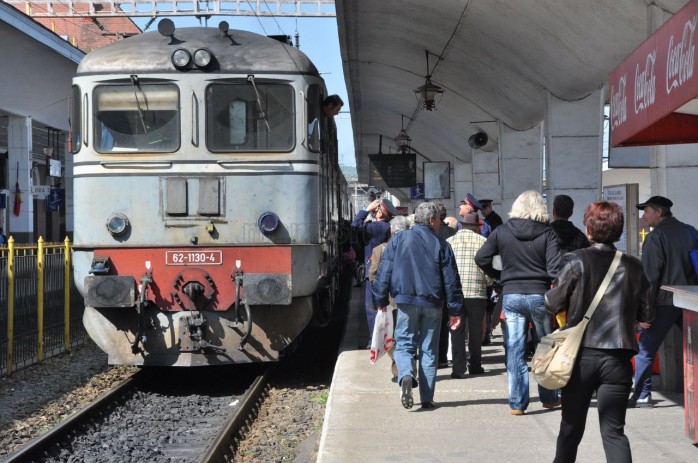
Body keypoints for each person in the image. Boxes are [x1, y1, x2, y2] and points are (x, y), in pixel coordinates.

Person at [546, 201, 653, 463]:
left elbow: (552, 303)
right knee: (614, 432)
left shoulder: (575, 260)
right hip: (618, 359)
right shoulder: (634, 265)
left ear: (589, 228)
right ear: (618, 230)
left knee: (570, 429)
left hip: (579, 357)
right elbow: (647, 314)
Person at [475, 190, 562, 415]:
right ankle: (549, 397)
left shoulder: (501, 231)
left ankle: (517, 403)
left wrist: (499, 275)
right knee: (544, 346)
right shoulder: (548, 233)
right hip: (539, 296)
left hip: (511, 295)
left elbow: (481, 258)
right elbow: (554, 269)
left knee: (514, 348)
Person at [372, 202, 464, 410]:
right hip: (433, 303)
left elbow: (384, 271)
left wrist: (379, 300)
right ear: (432, 221)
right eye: (439, 219)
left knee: (404, 344)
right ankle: (427, 398)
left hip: (405, 301)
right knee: (429, 349)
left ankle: (405, 375)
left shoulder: (398, 240)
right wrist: (456, 310)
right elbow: (451, 281)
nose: (440, 222)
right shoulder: (442, 244)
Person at [630, 195, 698, 408]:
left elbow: (650, 278)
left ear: (659, 212)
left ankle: (642, 394)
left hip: (664, 302)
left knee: (645, 350)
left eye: (646, 211)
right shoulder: (691, 231)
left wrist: (644, 312)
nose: (643, 216)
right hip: (690, 301)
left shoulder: (655, 237)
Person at [447, 212, 493, 377]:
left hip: (455, 294)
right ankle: (475, 365)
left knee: (456, 329)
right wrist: (488, 283)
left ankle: (458, 368)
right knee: (475, 331)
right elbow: (488, 268)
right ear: (476, 228)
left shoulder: (449, 242)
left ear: (462, 226)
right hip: (477, 293)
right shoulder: (483, 242)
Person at [368, 216, 410, 383]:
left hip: (388, 301)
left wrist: (380, 295)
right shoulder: (414, 248)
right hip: (409, 299)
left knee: (391, 337)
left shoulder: (379, 249)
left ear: (391, 231)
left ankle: (398, 369)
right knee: (408, 335)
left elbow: (373, 275)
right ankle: (408, 368)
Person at [352, 198, 398, 342]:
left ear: (379, 213)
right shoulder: (388, 227)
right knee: (388, 305)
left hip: (374, 270)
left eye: (377, 210)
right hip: (388, 270)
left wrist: (366, 210)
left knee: (372, 308)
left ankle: (375, 340)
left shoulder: (377, 227)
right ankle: (388, 336)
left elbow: (355, 225)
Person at [435, 202, 456, 368]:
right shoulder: (452, 232)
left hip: (432, 283)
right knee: (445, 323)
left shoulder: (429, 234)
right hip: (447, 282)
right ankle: (443, 356)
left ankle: (431, 356)